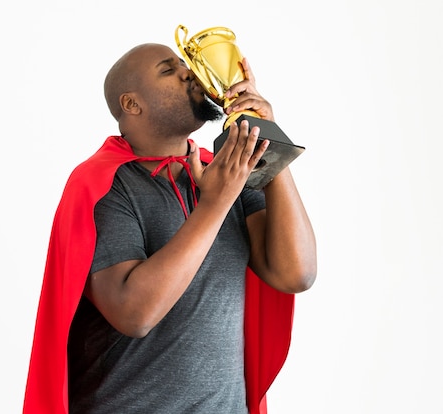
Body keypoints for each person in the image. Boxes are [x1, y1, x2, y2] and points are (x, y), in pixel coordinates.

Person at [22, 42, 317, 414]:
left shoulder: (225, 172)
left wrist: (267, 140)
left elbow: (297, 273)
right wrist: (215, 203)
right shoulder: (104, 184)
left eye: (183, 64)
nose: (188, 72)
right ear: (132, 104)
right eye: (168, 70)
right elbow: (134, 314)